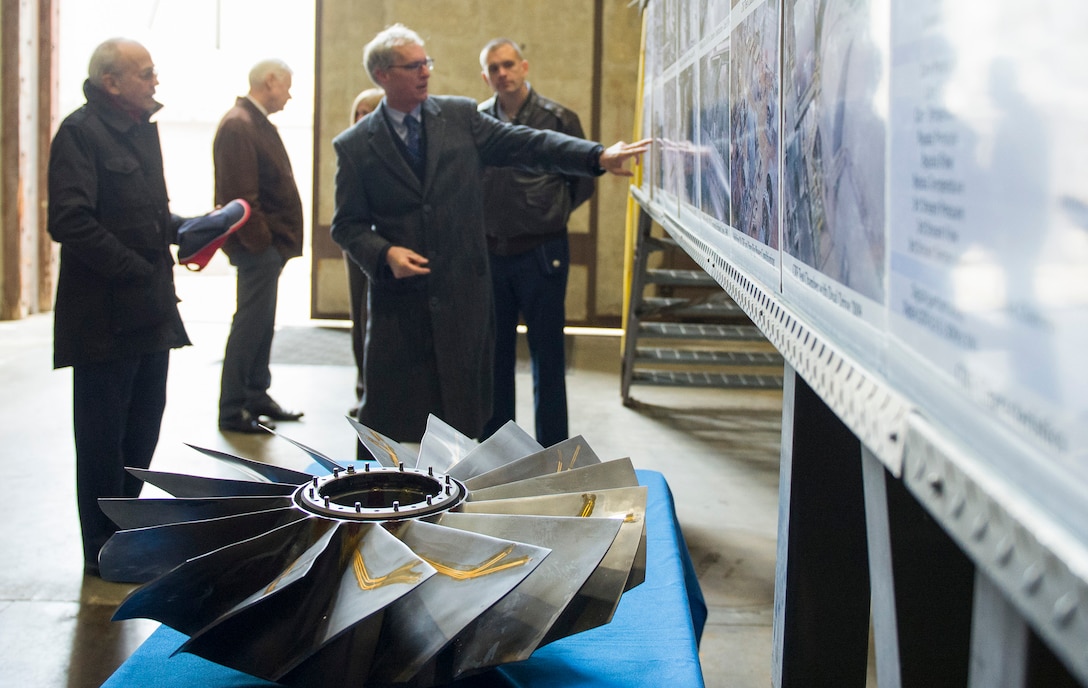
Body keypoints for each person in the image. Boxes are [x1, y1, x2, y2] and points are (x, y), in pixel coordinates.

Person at [330, 24, 649, 444]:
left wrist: (596, 156)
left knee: (463, 422)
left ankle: (461, 500)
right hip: (399, 309)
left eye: (427, 62)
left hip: (462, 298)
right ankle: (373, 504)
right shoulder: (354, 145)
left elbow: (528, 144)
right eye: (414, 65)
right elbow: (347, 225)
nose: (426, 71)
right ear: (384, 75)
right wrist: (384, 252)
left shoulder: (460, 117)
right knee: (386, 422)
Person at [47, 38, 191, 576]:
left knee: (141, 432)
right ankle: (102, 551)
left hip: (150, 314)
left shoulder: (140, 133)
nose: (155, 82)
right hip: (103, 319)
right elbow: (69, 220)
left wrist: (191, 229)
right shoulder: (80, 134)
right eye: (145, 73)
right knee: (103, 441)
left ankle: (125, 531)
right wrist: (134, 267)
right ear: (111, 82)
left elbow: (154, 216)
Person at [477, 38, 595, 447]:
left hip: (543, 252)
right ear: (485, 76)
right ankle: (498, 452)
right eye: (494, 68)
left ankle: (553, 454)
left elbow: (581, 183)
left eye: (508, 65)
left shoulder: (559, 118)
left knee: (548, 356)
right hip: (492, 253)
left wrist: (549, 213)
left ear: (524, 67)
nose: (502, 74)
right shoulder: (478, 121)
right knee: (495, 359)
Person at [214, 59, 305, 434]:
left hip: (267, 249)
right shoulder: (239, 124)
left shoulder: (253, 122)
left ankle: (256, 394)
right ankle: (233, 408)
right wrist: (264, 245)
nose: (289, 94)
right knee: (250, 324)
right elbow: (241, 198)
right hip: (258, 250)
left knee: (262, 323)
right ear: (270, 82)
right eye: (286, 86)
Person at [345, 88, 384, 416]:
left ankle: (379, 391)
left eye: (369, 111)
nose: (362, 118)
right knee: (359, 319)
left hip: (386, 249)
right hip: (356, 247)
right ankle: (363, 388)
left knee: (377, 320)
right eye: (358, 112)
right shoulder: (350, 148)